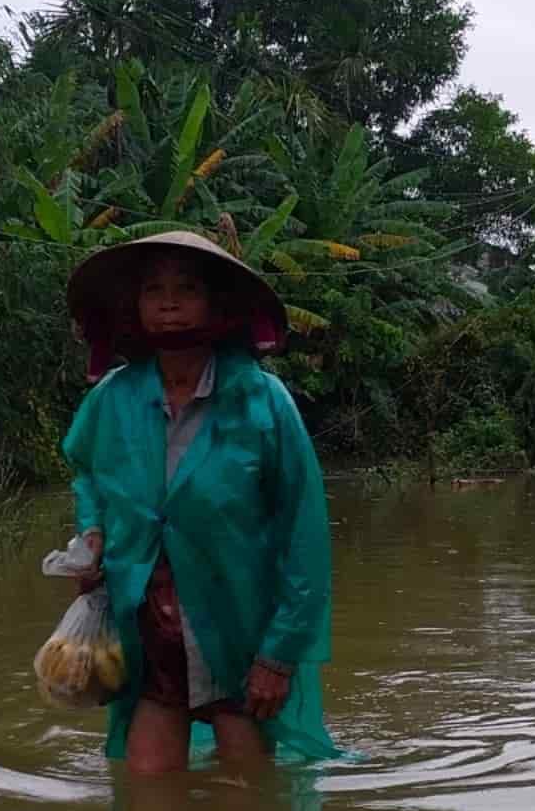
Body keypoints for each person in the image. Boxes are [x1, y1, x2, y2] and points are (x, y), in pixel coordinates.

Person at [60, 230, 336, 774]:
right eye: (154, 290)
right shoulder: (114, 398)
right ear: (135, 307)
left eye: (185, 289)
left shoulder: (262, 401)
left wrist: (278, 656)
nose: (168, 303)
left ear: (215, 304)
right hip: (149, 624)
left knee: (252, 803)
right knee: (146, 795)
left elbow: (304, 535)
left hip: (238, 627)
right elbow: (87, 472)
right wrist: (92, 533)